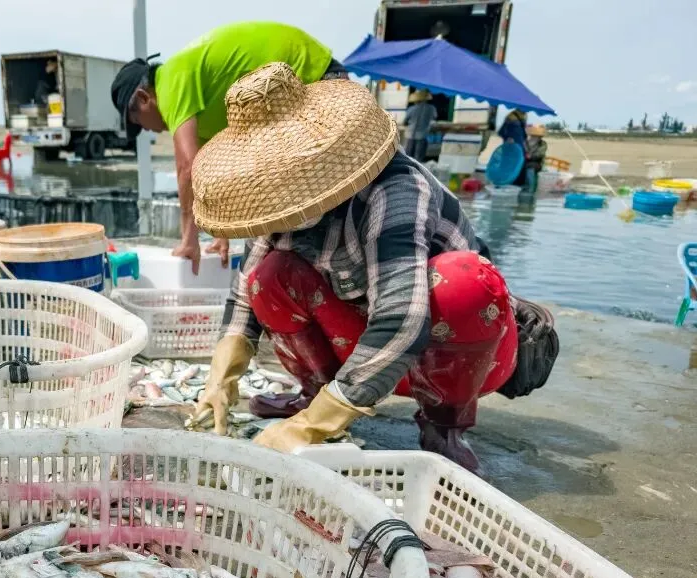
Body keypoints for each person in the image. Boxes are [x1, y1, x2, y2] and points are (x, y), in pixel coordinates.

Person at [189, 64, 555, 474]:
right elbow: (245, 294)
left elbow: (402, 317)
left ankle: (443, 425)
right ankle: (316, 393)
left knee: (461, 281)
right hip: (365, 347)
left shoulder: (396, 189)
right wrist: (220, 380)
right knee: (269, 276)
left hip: (449, 350)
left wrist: (311, 429)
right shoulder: (275, 202)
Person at [110, 21, 345, 275]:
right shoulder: (198, 108)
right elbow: (222, 170)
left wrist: (189, 239)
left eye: (138, 121)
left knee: (320, 213)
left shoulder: (171, 83)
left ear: (145, 98)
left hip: (314, 76)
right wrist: (220, 231)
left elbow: (188, 168)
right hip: (309, 81)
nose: (145, 130)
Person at [404, 89, 436, 163]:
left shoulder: (412, 109)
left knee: (407, 157)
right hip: (422, 135)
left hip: (410, 135)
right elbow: (433, 119)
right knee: (418, 159)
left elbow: (405, 122)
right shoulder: (431, 108)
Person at [524, 124, 548, 192]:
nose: (534, 137)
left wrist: (531, 156)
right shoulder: (525, 142)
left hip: (536, 163)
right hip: (524, 161)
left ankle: (531, 188)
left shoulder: (543, 144)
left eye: (537, 136)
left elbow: (540, 154)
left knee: (530, 167)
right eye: (533, 135)